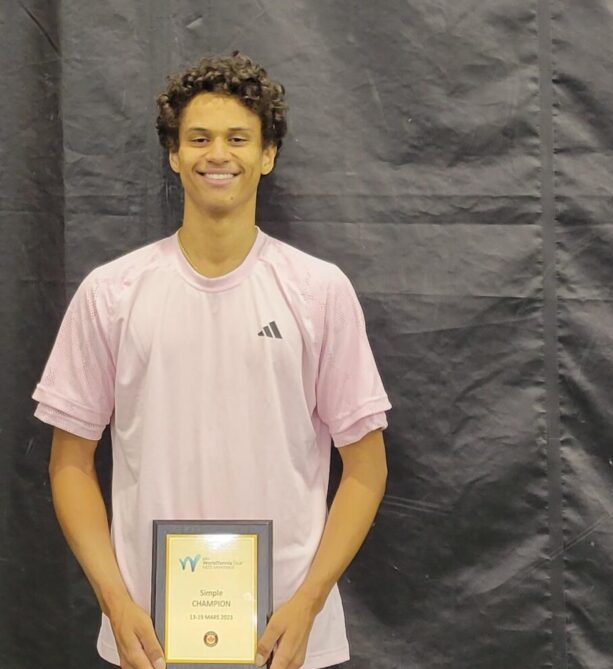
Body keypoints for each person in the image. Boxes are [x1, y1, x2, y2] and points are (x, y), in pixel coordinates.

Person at [34, 52, 391, 669]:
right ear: (174, 155)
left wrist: (306, 604)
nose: (217, 154)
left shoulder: (319, 291)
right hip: (149, 638)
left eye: (238, 138)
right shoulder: (111, 293)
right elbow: (70, 462)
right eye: (198, 138)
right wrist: (116, 602)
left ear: (267, 155)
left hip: (288, 638)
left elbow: (364, 468)